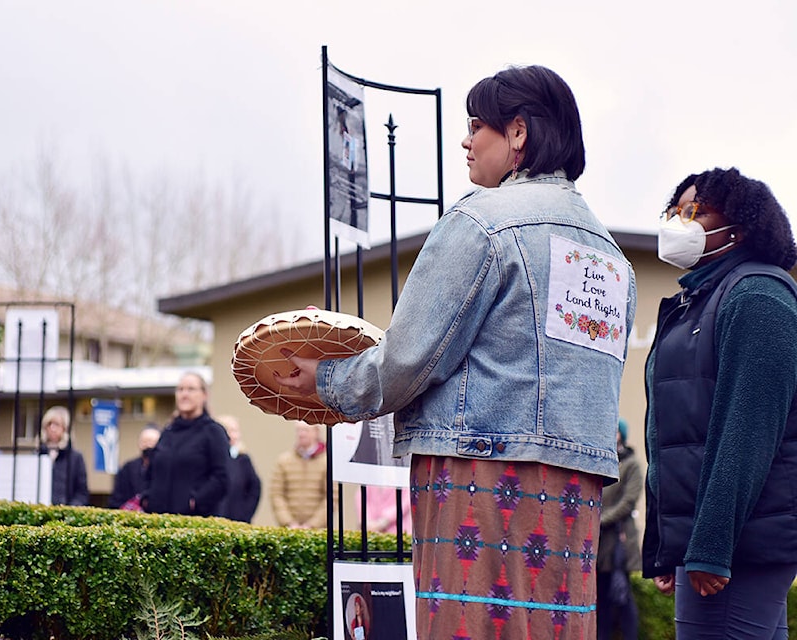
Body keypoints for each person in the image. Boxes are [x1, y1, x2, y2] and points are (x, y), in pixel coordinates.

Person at [275, 65, 636, 639]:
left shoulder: (481, 223)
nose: (466, 142)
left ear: (518, 133)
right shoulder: (611, 257)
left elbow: (411, 359)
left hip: (477, 475)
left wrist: (327, 381)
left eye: (476, 126)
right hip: (576, 493)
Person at [643, 167, 797, 638]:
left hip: (739, 547)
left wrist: (710, 545)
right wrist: (668, 546)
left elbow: (745, 433)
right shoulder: (700, 299)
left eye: (696, 211)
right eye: (676, 209)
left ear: (742, 227)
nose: (680, 221)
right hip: (719, 543)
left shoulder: (758, 298)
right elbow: (675, 438)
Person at [142, 372, 230, 516]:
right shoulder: (168, 431)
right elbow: (150, 470)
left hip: (194, 522)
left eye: (191, 389)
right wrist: (147, 498)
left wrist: (195, 501)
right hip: (158, 521)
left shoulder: (213, 432)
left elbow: (221, 477)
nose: (184, 394)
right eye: (180, 389)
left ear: (204, 395)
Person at [596, 419, 642, 640]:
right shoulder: (602, 461)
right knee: (601, 597)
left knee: (623, 597)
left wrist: (600, 519)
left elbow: (628, 501)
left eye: (615, 431)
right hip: (600, 541)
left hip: (619, 541)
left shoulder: (631, 464)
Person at [270, 421, 328, 529]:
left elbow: (330, 498)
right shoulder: (284, 461)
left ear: (316, 432)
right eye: (299, 430)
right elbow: (276, 494)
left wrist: (312, 525)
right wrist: (289, 522)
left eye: (306, 430)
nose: (301, 434)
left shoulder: (327, 462)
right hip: (289, 529)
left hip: (318, 531)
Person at [40, 405, 89, 506]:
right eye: (49, 424)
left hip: (65, 511)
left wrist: (70, 509)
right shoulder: (38, 453)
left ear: (65, 428)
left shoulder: (75, 458)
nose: (52, 428)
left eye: (57, 424)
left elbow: (82, 492)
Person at [216, 414, 261, 523]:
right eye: (229, 431)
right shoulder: (214, 458)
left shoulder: (243, 459)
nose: (233, 435)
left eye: (235, 431)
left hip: (237, 520)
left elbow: (255, 488)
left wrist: (245, 515)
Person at [107, 425, 160, 510]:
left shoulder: (166, 470)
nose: (148, 445)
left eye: (152, 442)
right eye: (144, 441)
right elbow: (116, 500)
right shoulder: (127, 468)